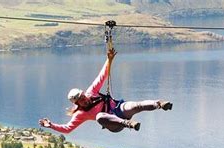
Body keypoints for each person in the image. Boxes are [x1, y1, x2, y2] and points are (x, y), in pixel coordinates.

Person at [38, 48, 172, 134]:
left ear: (84, 93)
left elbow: (102, 76)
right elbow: (67, 129)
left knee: (135, 106)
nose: (85, 100)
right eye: (81, 100)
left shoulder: (92, 92)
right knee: (99, 117)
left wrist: (109, 59)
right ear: (78, 104)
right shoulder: (80, 114)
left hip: (119, 110)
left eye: (83, 96)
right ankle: (128, 124)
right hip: (115, 125)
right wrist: (51, 125)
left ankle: (159, 104)